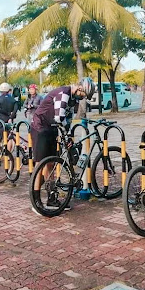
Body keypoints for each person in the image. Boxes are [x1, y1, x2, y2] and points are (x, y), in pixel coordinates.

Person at [30, 78, 95, 211]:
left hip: (52, 129)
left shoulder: (73, 99)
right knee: (40, 164)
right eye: (83, 95)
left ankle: (51, 198)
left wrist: (69, 136)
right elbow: (59, 117)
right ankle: (36, 201)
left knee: (51, 164)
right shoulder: (64, 93)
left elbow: (69, 119)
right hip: (40, 127)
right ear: (79, 88)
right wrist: (66, 133)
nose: (82, 98)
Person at [0, 82, 19, 151]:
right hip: (10, 120)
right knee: (10, 137)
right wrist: (10, 116)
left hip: (0, 119)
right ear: (9, 90)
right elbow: (15, 109)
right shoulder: (13, 100)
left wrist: (6, 113)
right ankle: (8, 155)